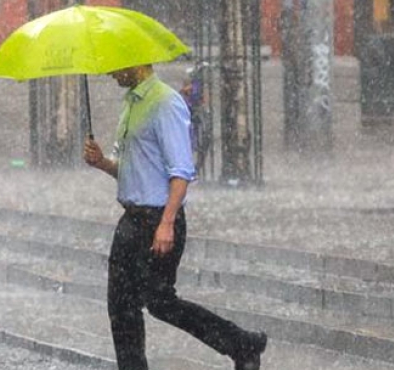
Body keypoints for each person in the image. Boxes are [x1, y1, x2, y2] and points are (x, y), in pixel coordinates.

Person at [83, 64, 267, 370]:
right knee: (120, 306)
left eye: (117, 66)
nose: (110, 72)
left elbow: (181, 171)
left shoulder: (166, 103)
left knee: (160, 302)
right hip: (130, 219)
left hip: (159, 219)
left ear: (138, 62)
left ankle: (242, 344)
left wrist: (167, 223)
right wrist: (103, 162)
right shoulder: (130, 103)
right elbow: (132, 170)